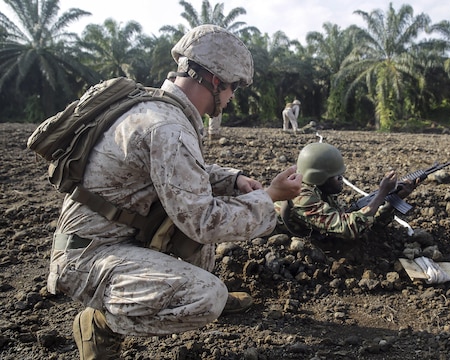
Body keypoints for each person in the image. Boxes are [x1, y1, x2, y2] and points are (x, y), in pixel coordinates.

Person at [48, 25, 302, 359]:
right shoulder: (168, 128)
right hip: (89, 256)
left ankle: (189, 290)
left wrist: (233, 180)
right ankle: (100, 323)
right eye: (233, 86)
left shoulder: (156, 108)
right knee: (206, 295)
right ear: (214, 79)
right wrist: (269, 196)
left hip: (111, 237)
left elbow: (179, 177)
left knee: (199, 223)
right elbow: (205, 222)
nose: (232, 96)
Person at [275, 142, 417, 240]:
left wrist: (393, 201)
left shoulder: (321, 191)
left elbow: (364, 226)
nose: (341, 179)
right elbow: (349, 229)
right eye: (337, 176)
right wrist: (381, 194)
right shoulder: (302, 197)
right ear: (319, 177)